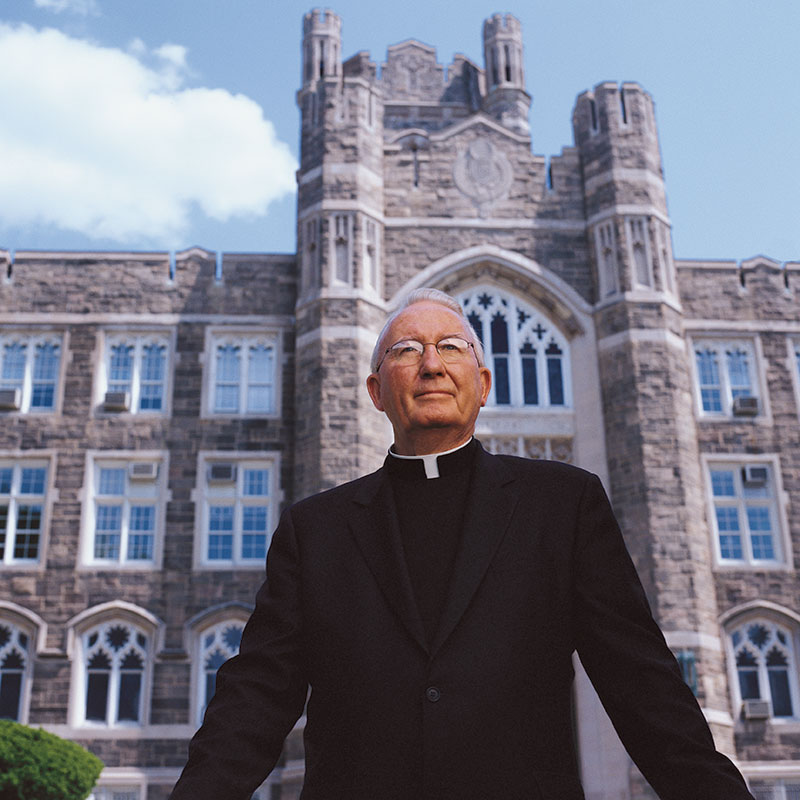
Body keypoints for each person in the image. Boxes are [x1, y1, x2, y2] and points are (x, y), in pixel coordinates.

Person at [171, 288, 754, 800]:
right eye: (406, 350)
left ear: (483, 384)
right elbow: (256, 697)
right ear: (376, 391)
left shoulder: (561, 504)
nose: (430, 364)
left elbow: (641, 683)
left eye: (450, 347)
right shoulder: (315, 528)